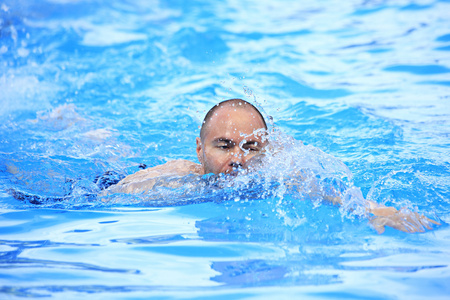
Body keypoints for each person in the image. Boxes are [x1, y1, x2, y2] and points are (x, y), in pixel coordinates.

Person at [102, 98, 440, 233]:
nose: (237, 159)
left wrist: (381, 213)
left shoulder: (280, 178)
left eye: (250, 147)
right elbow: (104, 199)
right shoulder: (177, 176)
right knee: (111, 160)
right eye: (224, 146)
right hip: (120, 171)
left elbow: (339, 199)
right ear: (200, 149)